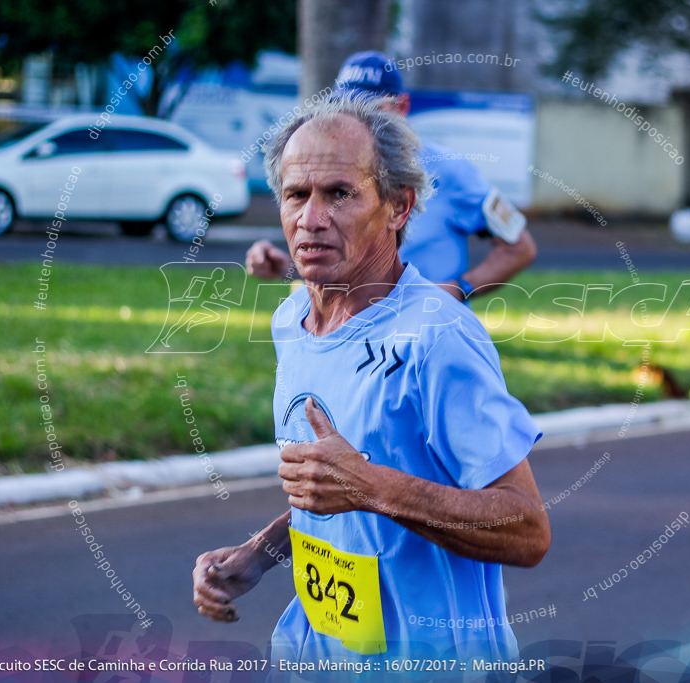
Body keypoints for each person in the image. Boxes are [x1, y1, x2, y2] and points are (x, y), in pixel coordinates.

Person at [192, 95, 550, 671]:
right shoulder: (291, 321)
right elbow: (340, 485)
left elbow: (527, 530)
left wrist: (375, 489)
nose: (311, 219)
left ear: (399, 207)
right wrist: (259, 554)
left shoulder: (438, 335)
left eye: (339, 194)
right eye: (295, 195)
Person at [246, 50, 536, 302]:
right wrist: (285, 265)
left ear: (403, 107)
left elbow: (519, 247)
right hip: (353, 334)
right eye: (345, 107)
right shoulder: (335, 172)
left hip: (429, 337)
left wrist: (460, 289)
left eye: (373, 110)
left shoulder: (450, 171)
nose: (358, 120)